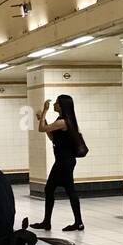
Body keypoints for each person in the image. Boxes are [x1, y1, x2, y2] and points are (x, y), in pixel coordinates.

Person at [32, 93, 84, 232]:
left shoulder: (63, 121)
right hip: (63, 161)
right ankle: (52, 222)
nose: (54, 104)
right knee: (61, 189)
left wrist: (44, 111)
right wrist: (42, 120)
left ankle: (74, 222)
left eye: (56, 103)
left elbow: (41, 129)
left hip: (64, 162)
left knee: (54, 189)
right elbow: (51, 137)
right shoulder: (62, 120)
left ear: (62, 106)